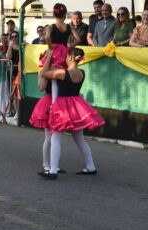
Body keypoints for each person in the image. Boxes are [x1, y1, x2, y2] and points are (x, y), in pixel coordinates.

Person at [36, 47, 104, 179]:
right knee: (80, 139)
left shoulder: (62, 73)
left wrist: (49, 57)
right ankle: (91, 166)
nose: (65, 59)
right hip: (77, 106)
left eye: (67, 56)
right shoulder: (82, 73)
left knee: (55, 138)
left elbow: (44, 73)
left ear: (71, 58)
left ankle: (53, 171)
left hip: (63, 107)